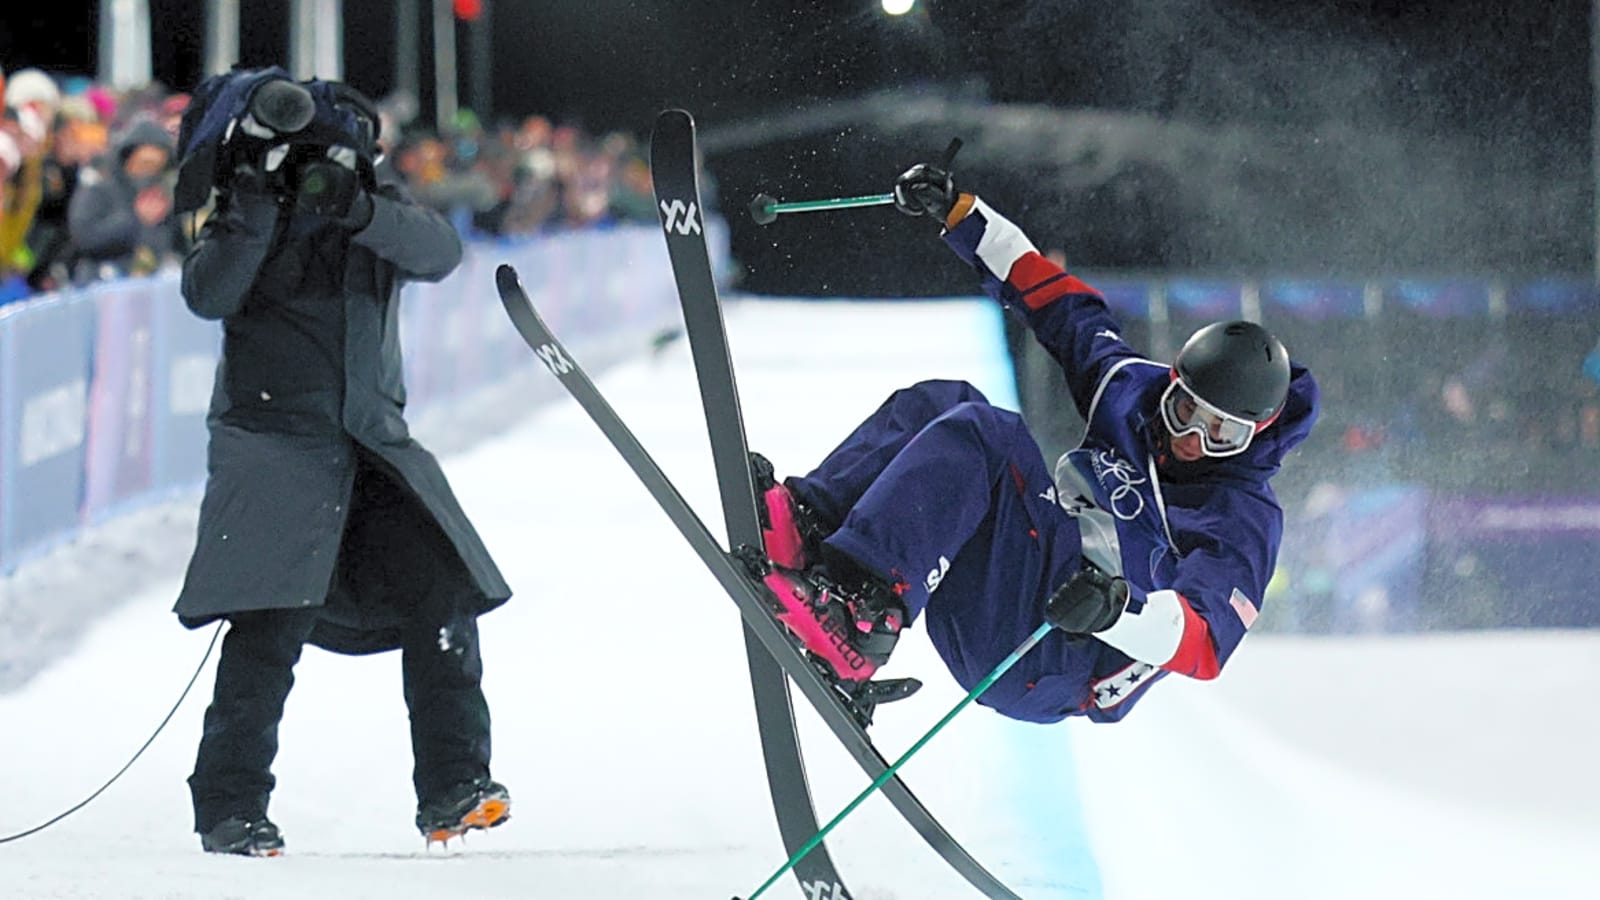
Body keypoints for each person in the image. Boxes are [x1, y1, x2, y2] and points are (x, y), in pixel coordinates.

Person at [751, 159, 1319, 725]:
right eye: (1186, 409)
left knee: (993, 435)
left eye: (1221, 433)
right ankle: (809, 532)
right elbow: (1062, 307)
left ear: (1255, 434)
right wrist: (962, 214)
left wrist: (1118, 610)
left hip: (1060, 656)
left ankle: (863, 621)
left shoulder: (1244, 515)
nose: (1192, 437)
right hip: (1018, 583)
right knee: (947, 403)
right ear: (1172, 383)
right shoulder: (1130, 391)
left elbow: (1205, 643)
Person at [172, 70, 513, 856]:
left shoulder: (368, 196)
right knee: (267, 630)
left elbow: (439, 251)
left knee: (440, 597)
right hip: (273, 444)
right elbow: (209, 293)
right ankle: (229, 807)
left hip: (372, 446)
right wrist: (259, 204)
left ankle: (457, 785)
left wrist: (357, 208)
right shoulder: (242, 206)